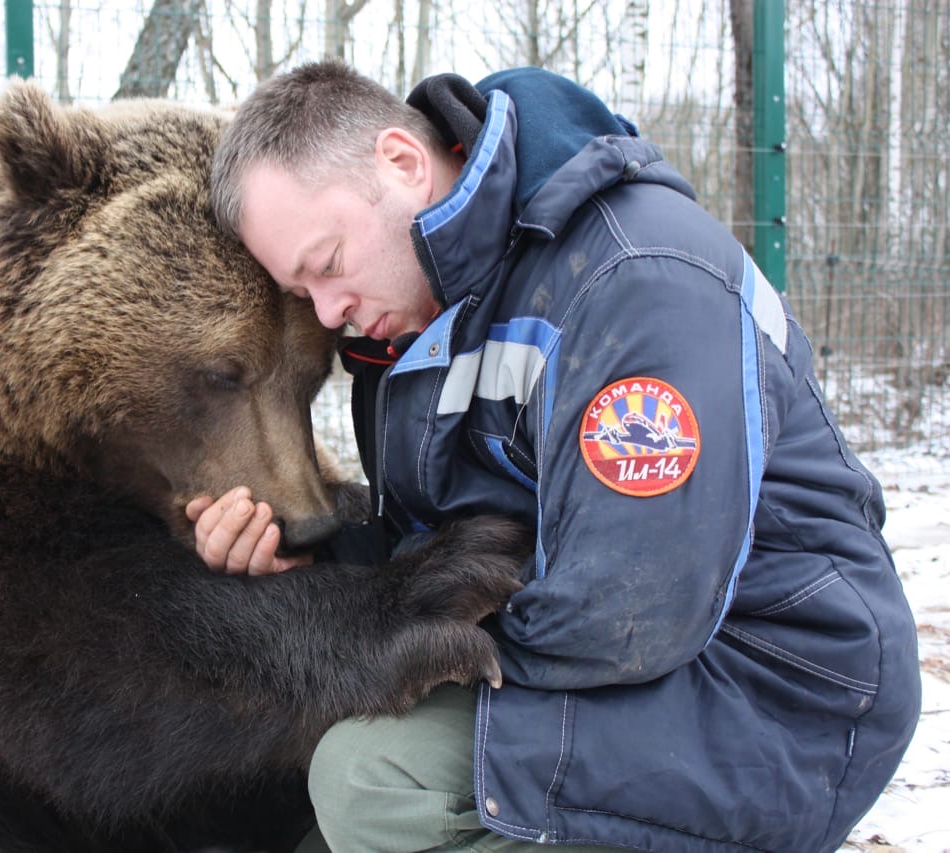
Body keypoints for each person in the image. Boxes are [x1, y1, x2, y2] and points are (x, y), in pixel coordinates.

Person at [185, 61, 921, 852]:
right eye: (303, 296)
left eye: (327, 264)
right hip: (628, 661)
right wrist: (314, 569)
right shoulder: (418, 313)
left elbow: (629, 611)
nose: (331, 313)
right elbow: (456, 538)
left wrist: (383, 637)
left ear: (400, 161)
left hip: (776, 689)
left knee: (367, 781)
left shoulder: (636, 279)